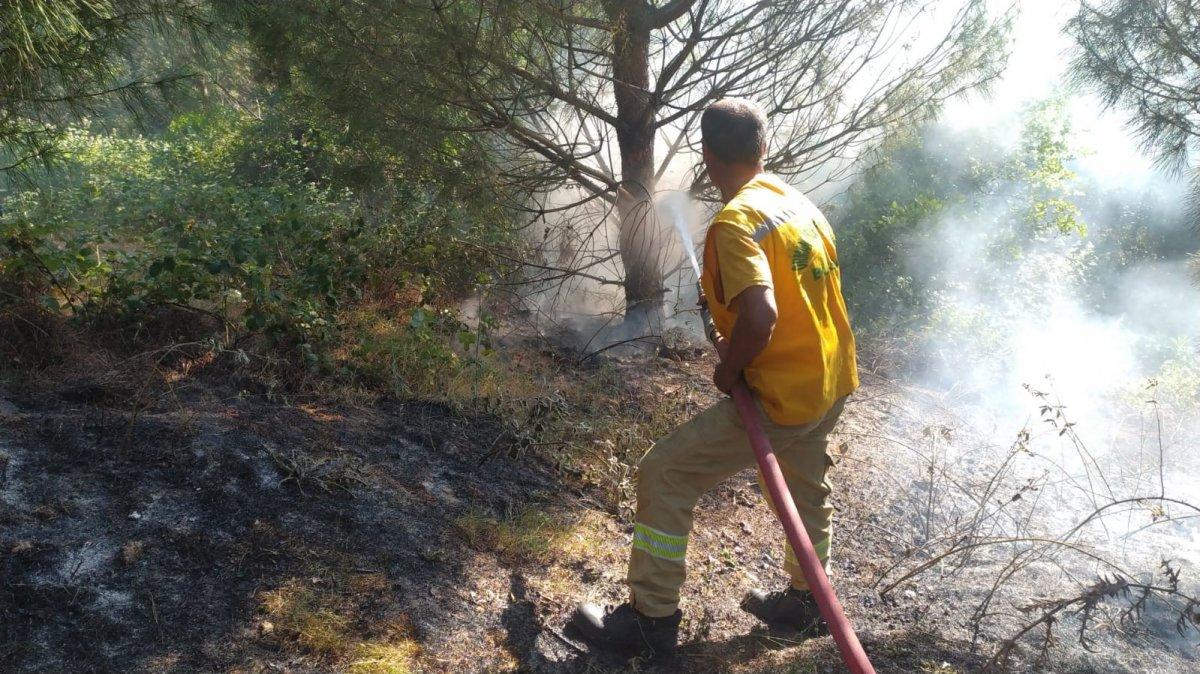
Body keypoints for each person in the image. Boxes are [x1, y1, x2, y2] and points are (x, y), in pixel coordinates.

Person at [571, 98, 859, 661]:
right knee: (804, 490)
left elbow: (762, 315)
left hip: (782, 395)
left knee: (665, 473)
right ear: (763, 147)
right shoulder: (793, 201)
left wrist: (729, 370)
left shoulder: (735, 222)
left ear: (706, 156)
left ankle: (650, 622)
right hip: (830, 380)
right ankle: (809, 604)